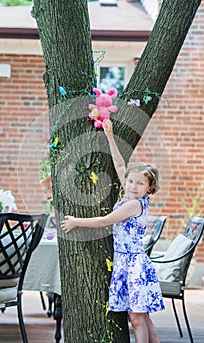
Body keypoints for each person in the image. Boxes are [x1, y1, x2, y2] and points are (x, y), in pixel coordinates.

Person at [61, 119, 165, 343]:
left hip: (134, 264)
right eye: (131, 182)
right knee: (142, 317)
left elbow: (106, 220)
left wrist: (76, 221)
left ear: (149, 188)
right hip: (125, 262)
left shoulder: (134, 204)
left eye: (140, 184)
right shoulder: (130, 194)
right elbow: (119, 165)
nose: (133, 186)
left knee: (137, 318)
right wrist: (110, 135)